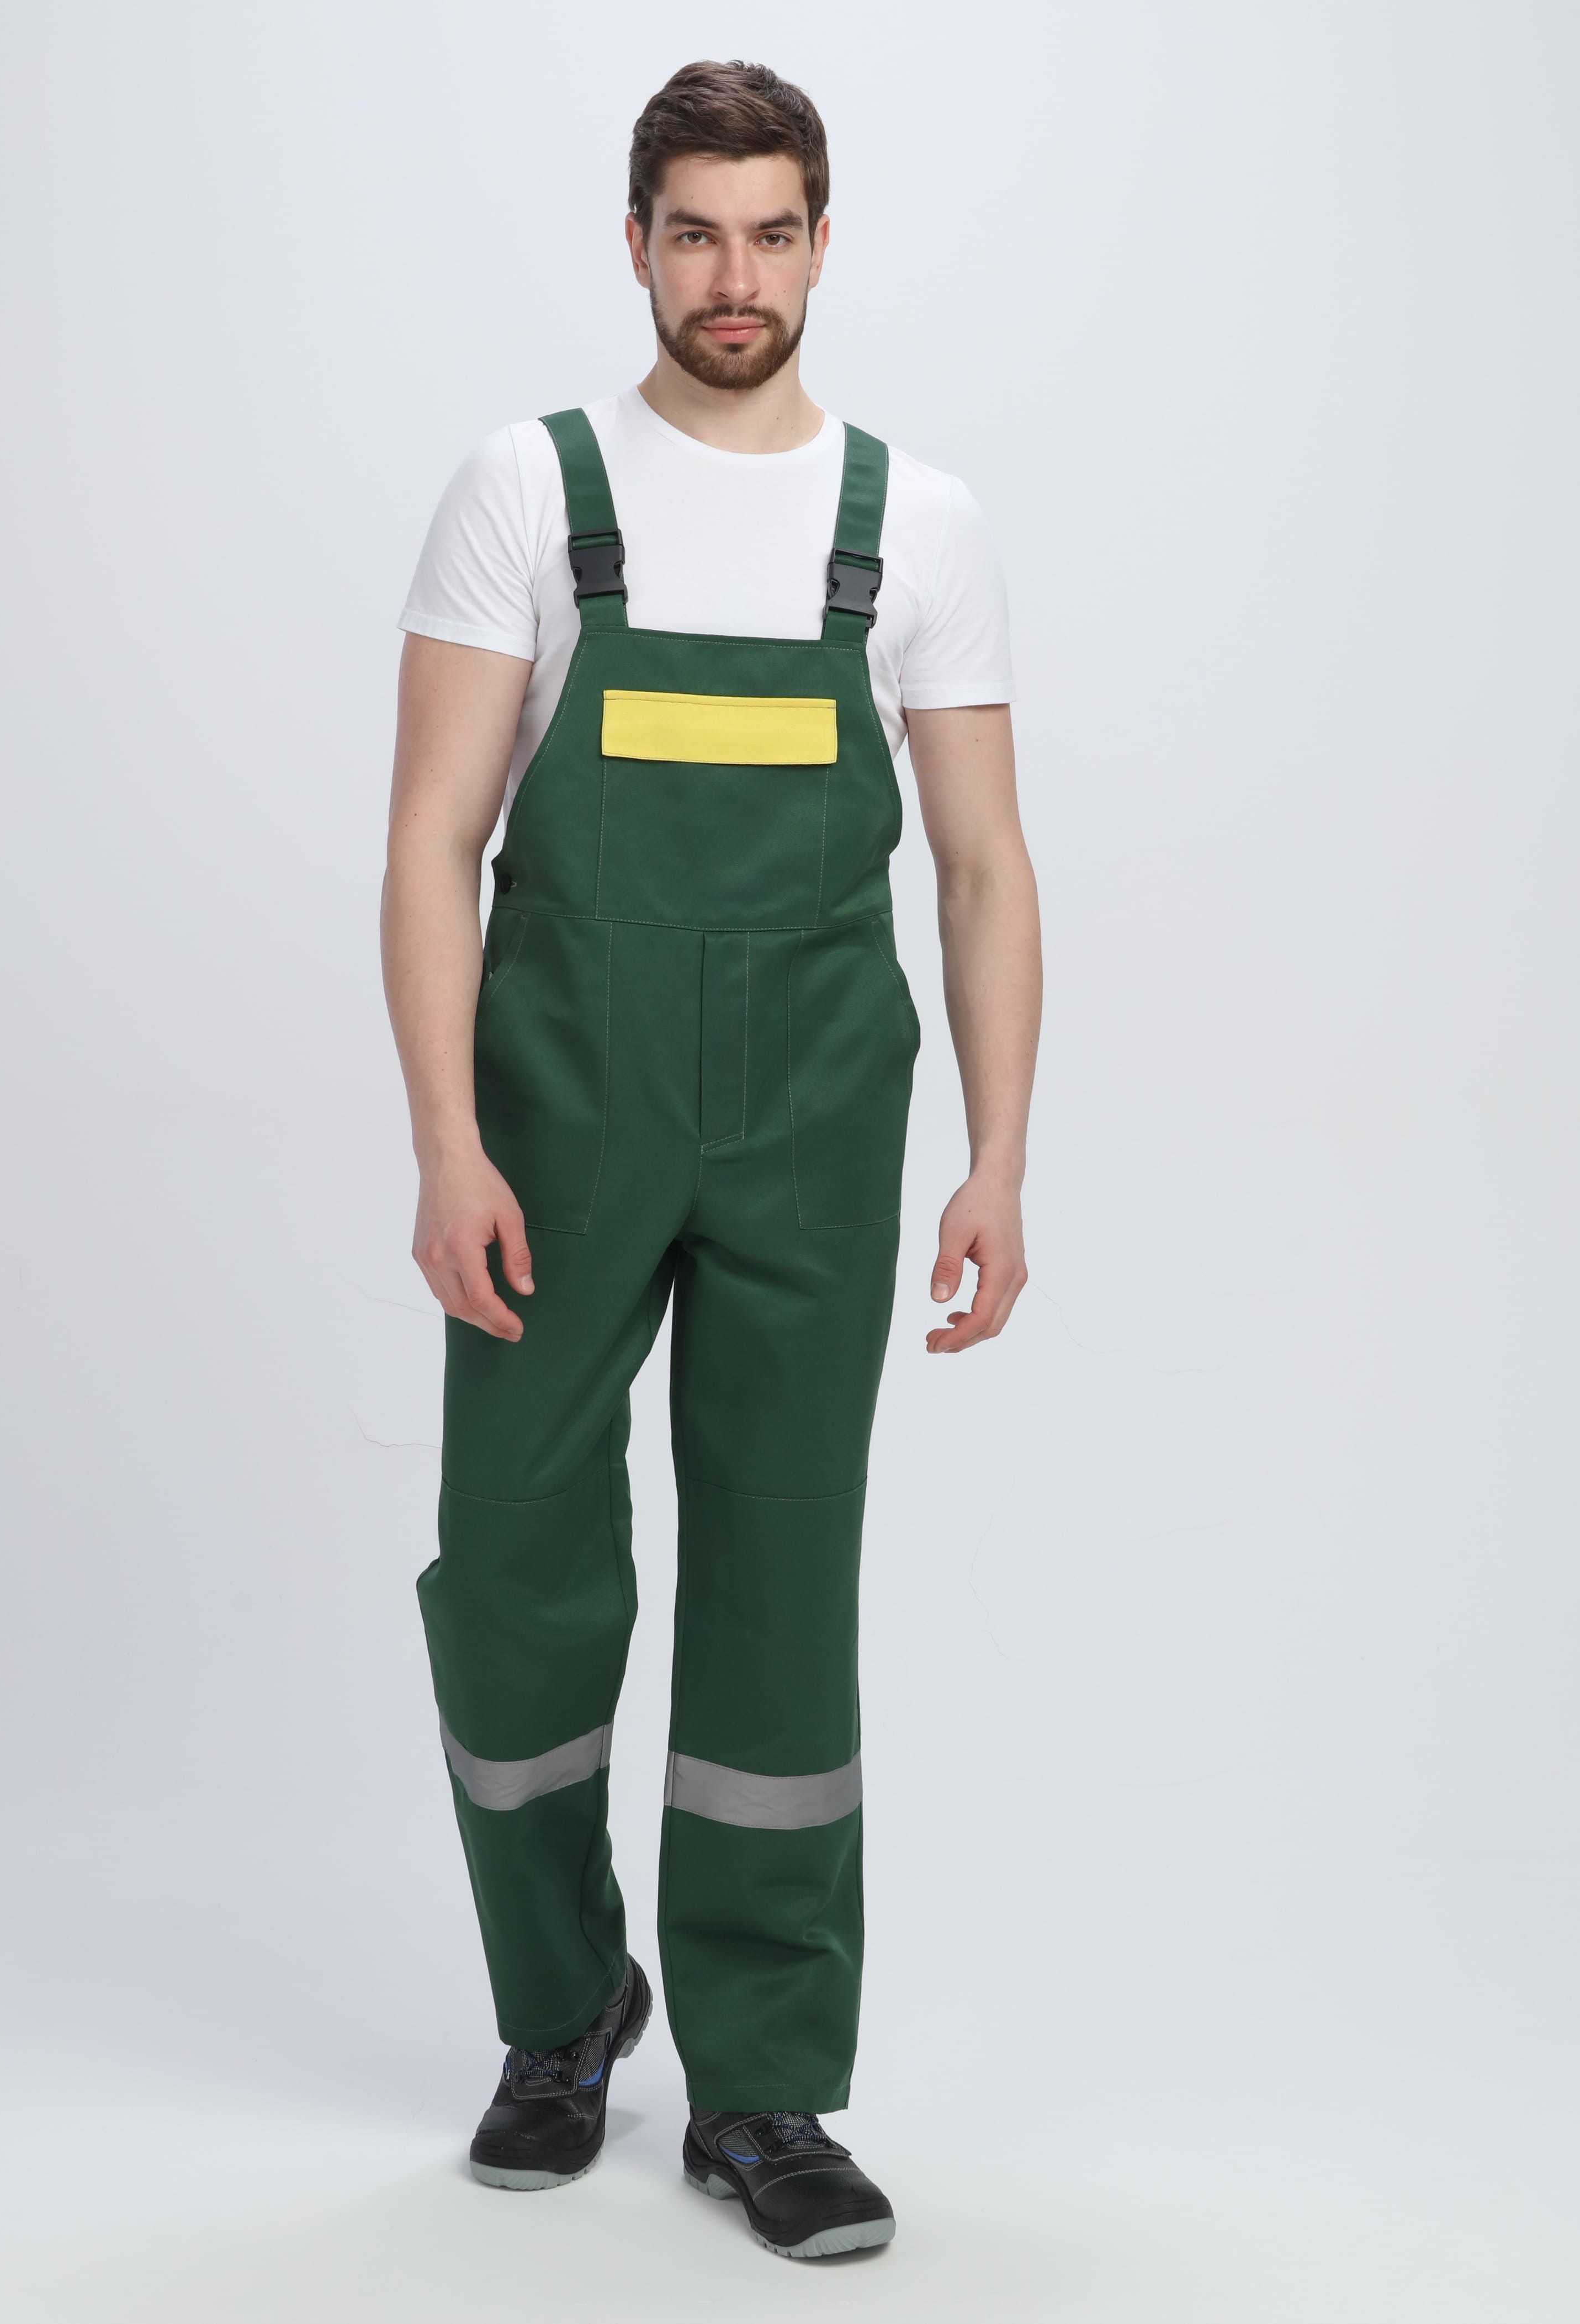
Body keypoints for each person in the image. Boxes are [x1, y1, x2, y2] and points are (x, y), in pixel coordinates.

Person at [381, 58, 1040, 2262]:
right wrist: (446, 1143)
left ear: (823, 243)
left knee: (775, 1581)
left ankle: (763, 2086)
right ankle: (562, 2008)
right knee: (514, 1566)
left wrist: (998, 1157)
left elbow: (983, 870)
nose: (731, 276)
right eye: (693, 233)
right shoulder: (530, 489)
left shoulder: (912, 521)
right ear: (637, 243)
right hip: (556, 1117)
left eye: (770, 234)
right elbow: (430, 842)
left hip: (818, 1130)